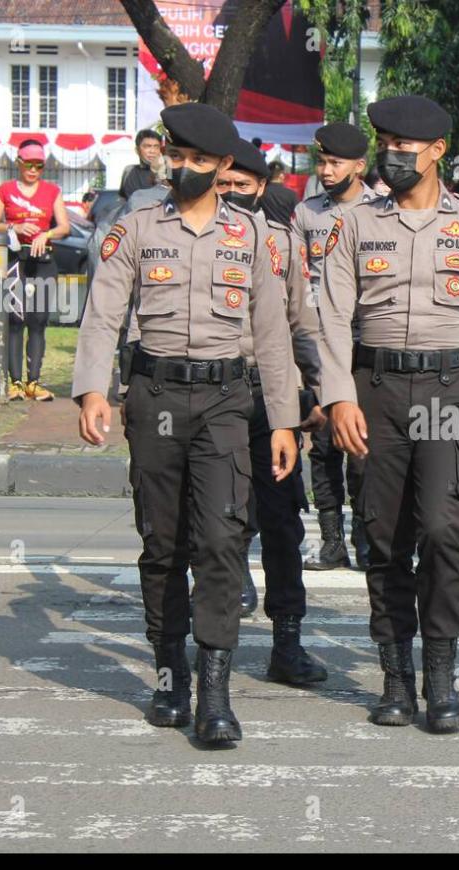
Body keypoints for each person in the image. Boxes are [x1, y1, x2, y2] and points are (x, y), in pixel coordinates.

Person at [73, 102, 301, 746]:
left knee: (223, 541)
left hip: (229, 400)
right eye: (178, 157)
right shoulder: (137, 224)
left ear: (225, 166)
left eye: (201, 161)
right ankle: (170, 674)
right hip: (156, 396)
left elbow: (272, 334)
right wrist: (93, 388)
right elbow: (103, 311)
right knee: (164, 541)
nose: (186, 169)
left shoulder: (252, 234)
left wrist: (283, 419)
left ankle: (216, 693)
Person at [316, 94, 459, 733]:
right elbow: (329, 318)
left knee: (441, 530)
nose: (392, 155)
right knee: (383, 537)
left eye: (406, 147)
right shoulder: (355, 223)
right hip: (375, 389)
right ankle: (397, 680)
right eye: (386, 145)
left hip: (450, 389)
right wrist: (338, 395)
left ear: (436, 152)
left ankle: (441, 677)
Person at [217, 137, 328, 683]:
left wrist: (321, 389)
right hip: (212, 390)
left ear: (262, 188)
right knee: (220, 518)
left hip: (270, 394)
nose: (233, 193)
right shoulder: (186, 234)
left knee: (283, 523)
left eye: (244, 185)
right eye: (225, 184)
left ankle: (287, 641)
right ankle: (215, 642)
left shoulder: (283, 242)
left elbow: (302, 325)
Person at [291, 122, 379, 571]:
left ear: (359, 166)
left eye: (335, 163)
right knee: (323, 445)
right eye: (321, 162)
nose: (326, 171)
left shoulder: (379, 210)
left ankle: (366, 535)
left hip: (366, 344)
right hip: (321, 343)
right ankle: (330, 539)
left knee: (361, 448)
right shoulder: (307, 215)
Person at [0, 139, 71, 401]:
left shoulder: (52, 191)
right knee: (15, 321)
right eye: (29, 164)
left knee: (38, 320)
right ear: (19, 163)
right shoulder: (6, 190)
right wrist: (15, 228)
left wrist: (46, 234)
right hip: (15, 260)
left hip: (43, 261)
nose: (33, 170)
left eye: (39, 165)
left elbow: (64, 227)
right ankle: (15, 384)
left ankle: (34, 381)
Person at [119, 129, 165, 199]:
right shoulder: (130, 171)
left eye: (156, 147)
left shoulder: (168, 171)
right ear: (137, 150)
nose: (152, 151)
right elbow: (124, 199)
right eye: (147, 146)